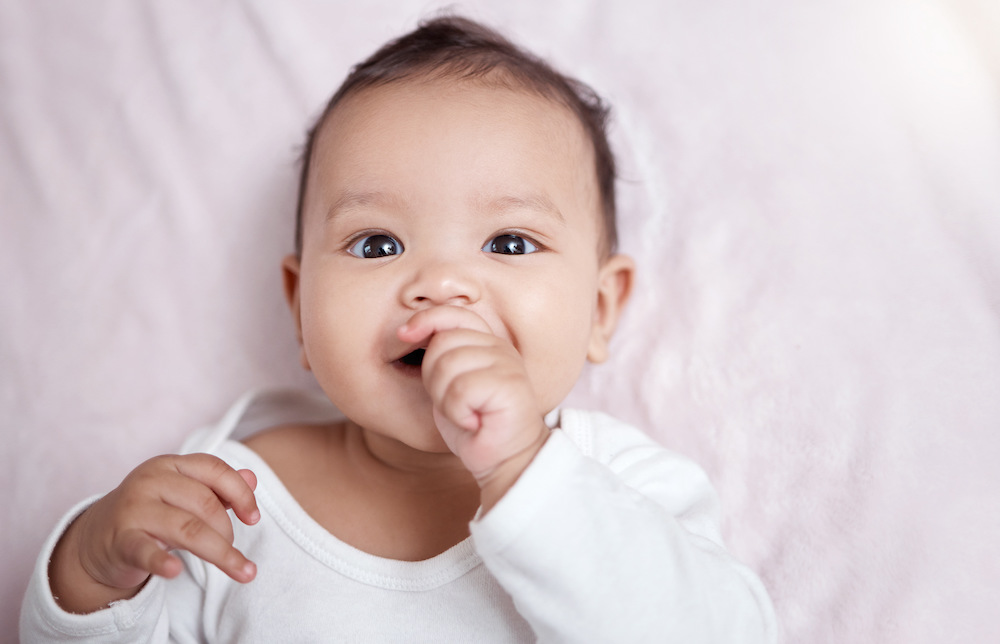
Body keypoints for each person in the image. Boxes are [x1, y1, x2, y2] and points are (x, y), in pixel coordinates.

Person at [21, 15, 776, 642]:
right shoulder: (236, 493)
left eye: (509, 243)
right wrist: (88, 573)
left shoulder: (623, 489)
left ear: (600, 310)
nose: (441, 284)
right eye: (377, 244)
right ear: (301, 312)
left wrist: (524, 470)